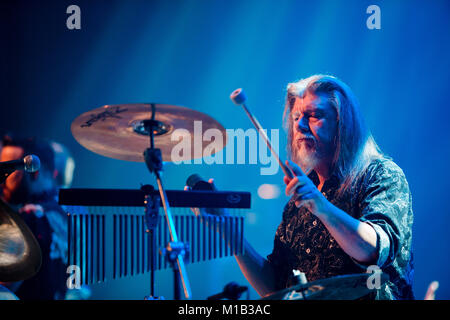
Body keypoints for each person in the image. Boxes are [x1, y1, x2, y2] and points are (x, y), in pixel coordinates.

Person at [233, 75, 414, 300]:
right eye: (296, 116)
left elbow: (375, 250)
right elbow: (276, 289)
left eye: (314, 115)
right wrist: (231, 236)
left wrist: (320, 205)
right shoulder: (298, 202)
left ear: (343, 123)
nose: (299, 125)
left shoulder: (381, 174)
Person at [0, 136, 68, 300]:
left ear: (34, 172)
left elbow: (5, 288)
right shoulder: (69, 212)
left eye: (9, 172)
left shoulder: (31, 216)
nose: (2, 182)